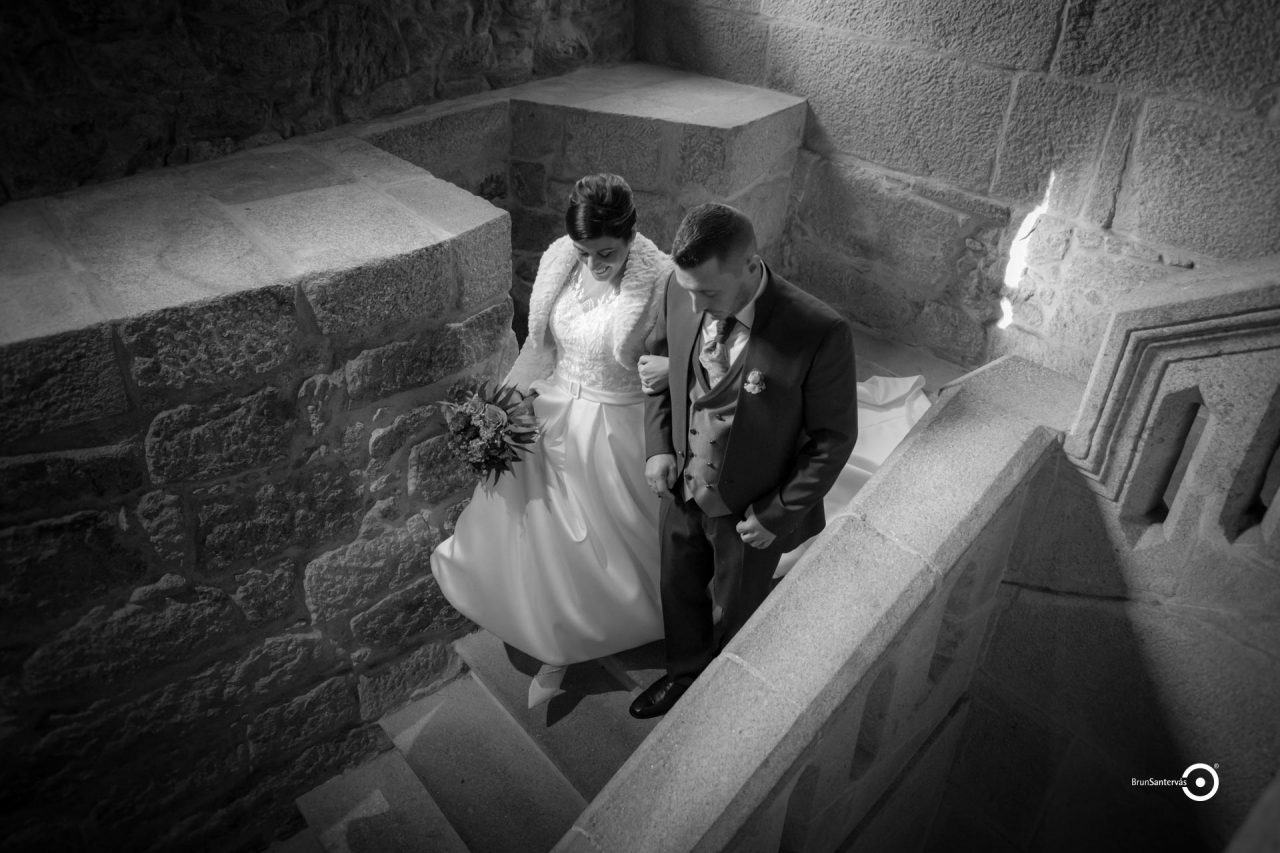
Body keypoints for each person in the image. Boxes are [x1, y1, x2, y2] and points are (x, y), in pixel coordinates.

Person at [431, 174, 671, 707]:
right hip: (552, 409)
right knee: (539, 532)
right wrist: (502, 406)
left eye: (606, 252)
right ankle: (551, 637)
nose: (594, 265)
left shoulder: (664, 279)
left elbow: (695, 359)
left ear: (632, 234)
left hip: (617, 423)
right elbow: (542, 346)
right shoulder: (559, 259)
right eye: (584, 253)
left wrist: (670, 374)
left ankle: (582, 636)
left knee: (609, 541)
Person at [630, 202, 859, 719]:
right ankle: (684, 674)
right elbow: (659, 375)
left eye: (709, 292)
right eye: (689, 291)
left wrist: (778, 511)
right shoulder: (680, 287)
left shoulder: (818, 330)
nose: (697, 303)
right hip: (683, 482)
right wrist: (660, 445)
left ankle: (725, 703)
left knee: (738, 609)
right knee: (678, 585)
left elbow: (834, 436)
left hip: (752, 506)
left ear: (751, 267)